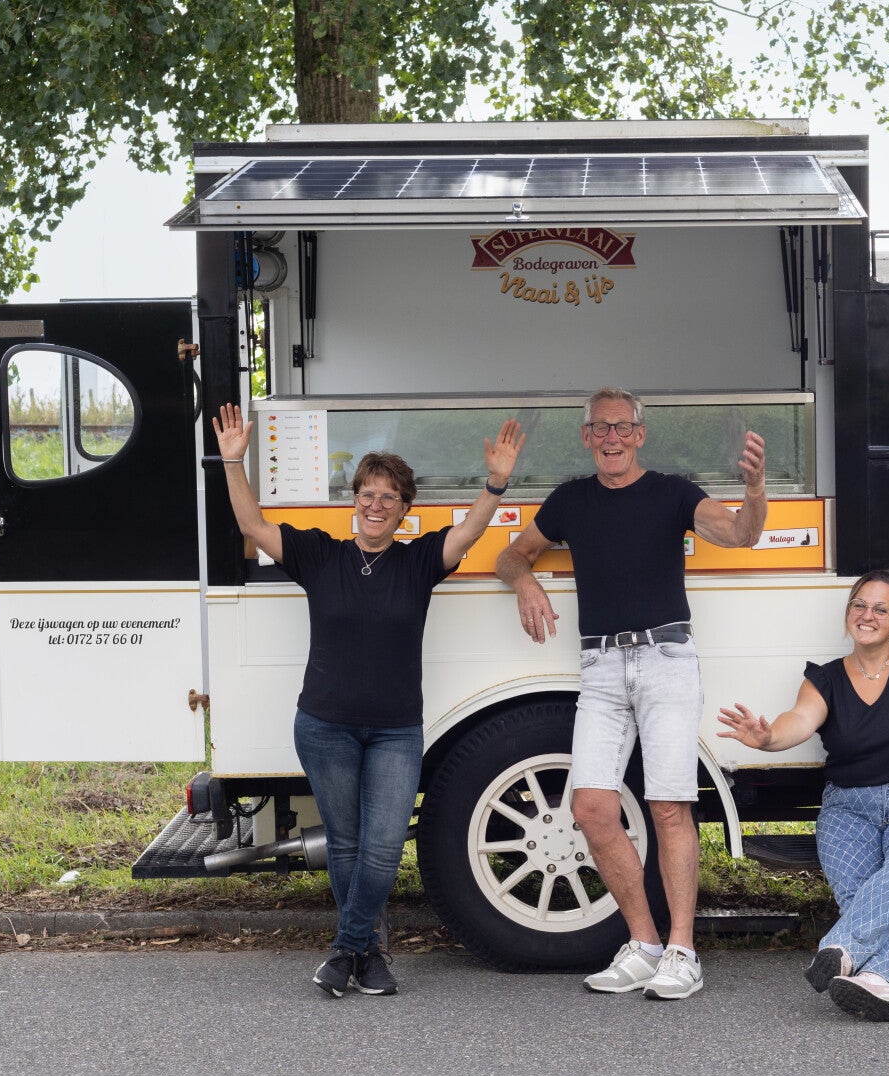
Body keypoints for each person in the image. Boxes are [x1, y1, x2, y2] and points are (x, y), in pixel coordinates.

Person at [213, 402, 525, 997]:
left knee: (381, 850)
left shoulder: (417, 562)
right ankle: (369, 955)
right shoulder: (319, 554)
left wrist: (496, 483)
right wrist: (233, 460)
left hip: (395, 732)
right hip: (324, 727)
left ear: (405, 510)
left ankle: (346, 950)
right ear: (353, 499)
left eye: (389, 498)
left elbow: (471, 530)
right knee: (348, 845)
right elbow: (252, 525)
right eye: (367, 494)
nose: (376, 505)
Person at [495, 386, 766, 1001]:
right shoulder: (571, 499)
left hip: (668, 657)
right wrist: (526, 584)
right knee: (591, 808)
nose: (611, 439)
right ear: (587, 437)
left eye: (622, 428)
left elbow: (741, 534)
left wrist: (754, 492)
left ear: (640, 435)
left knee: (668, 804)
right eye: (600, 429)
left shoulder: (673, 492)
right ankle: (644, 944)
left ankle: (683, 951)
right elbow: (511, 557)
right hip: (600, 665)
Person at [717, 492, 889, 1022]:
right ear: (849, 614)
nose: (867, 615)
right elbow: (796, 722)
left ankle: (839, 945)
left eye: (880, 609)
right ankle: (878, 979)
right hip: (848, 810)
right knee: (861, 889)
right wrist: (766, 736)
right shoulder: (824, 679)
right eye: (858, 605)